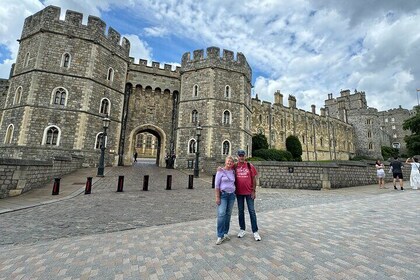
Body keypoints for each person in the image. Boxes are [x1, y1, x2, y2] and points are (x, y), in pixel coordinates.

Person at [235, 149, 261, 241]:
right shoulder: (235, 166)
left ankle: (255, 231)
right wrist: (219, 169)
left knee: (252, 211)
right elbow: (226, 169)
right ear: (237, 157)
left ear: (245, 156)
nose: (241, 157)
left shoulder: (250, 166)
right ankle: (242, 229)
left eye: (243, 155)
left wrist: (254, 191)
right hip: (239, 193)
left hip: (249, 192)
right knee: (240, 211)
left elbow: (254, 179)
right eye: (240, 155)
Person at [214, 156, 236, 245]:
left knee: (228, 214)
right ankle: (220, 235)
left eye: (231, 161)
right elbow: (216, 185)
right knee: (221, 214)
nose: (229, 162)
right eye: (228, 161)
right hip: (223, 195)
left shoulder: (233, 171)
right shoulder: (220, 171)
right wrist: (217, 196)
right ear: (225, 162)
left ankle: (225, 233)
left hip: (231, 195)